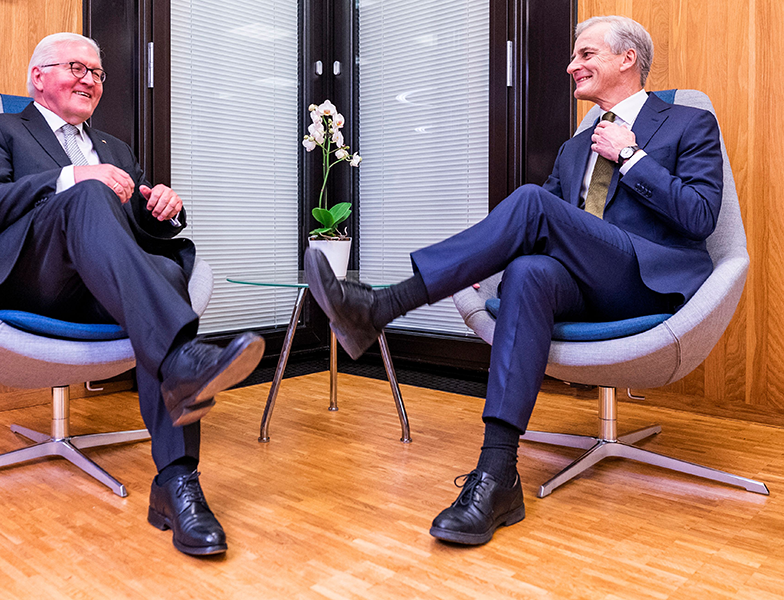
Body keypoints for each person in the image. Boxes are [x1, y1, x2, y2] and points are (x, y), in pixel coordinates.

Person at [305, 15, 723, 546]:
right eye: (573, 56)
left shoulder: (688, 123)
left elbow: (700, 216)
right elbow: (546, 232)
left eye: (586, 55)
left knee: (530, 200)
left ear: (628, 59)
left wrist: (631, 155)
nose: (572, 66)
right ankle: (497, 474)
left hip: (646, 281)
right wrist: (491, 275)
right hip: (581, 286)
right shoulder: (576, 147)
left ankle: (382, 306)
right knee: (526, 270)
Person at [0, 32, 265, 557]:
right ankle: (184, 356)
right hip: (32, 279)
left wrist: (160, 208)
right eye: (76, 68)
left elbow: (131, 235)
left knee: (165, 276)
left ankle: (177, 483)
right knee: (87, 198)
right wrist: (71, 177)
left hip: (102, 284)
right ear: (39, 77)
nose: (89, 80)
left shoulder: (117, 149)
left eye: (97, 73)